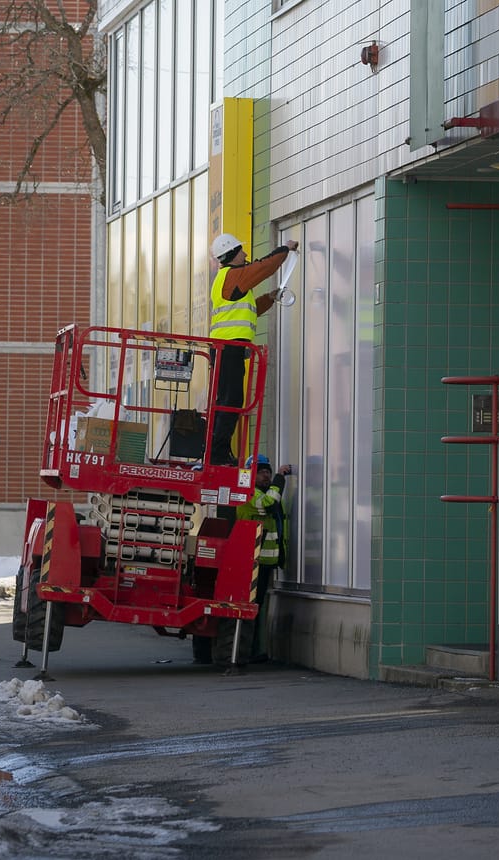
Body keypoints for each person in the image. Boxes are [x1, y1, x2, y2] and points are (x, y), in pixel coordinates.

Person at [208, 233, 298, 466]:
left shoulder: (230, 281)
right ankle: (217, 455)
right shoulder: (233, 276)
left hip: (227, 349)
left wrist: (269, 298)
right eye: (241, 251)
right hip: (229, 348)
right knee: (230, 401)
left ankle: (218, 452)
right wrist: (284, 249)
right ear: (232, 255)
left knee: (227, 401)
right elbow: (264, 267)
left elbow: (249, 311)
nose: (246, 255)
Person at [236, 453, 291, 661]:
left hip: (264, 562)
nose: (266, 476)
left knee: (257, 607)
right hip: (251, 561)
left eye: (267, 472)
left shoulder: (267, 492)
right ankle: (247, 651)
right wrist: (279, 478)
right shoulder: (249, 494)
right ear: (251, 475)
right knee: (251, 608)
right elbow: (268, 504)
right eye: (261, 473)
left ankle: (253, 650)